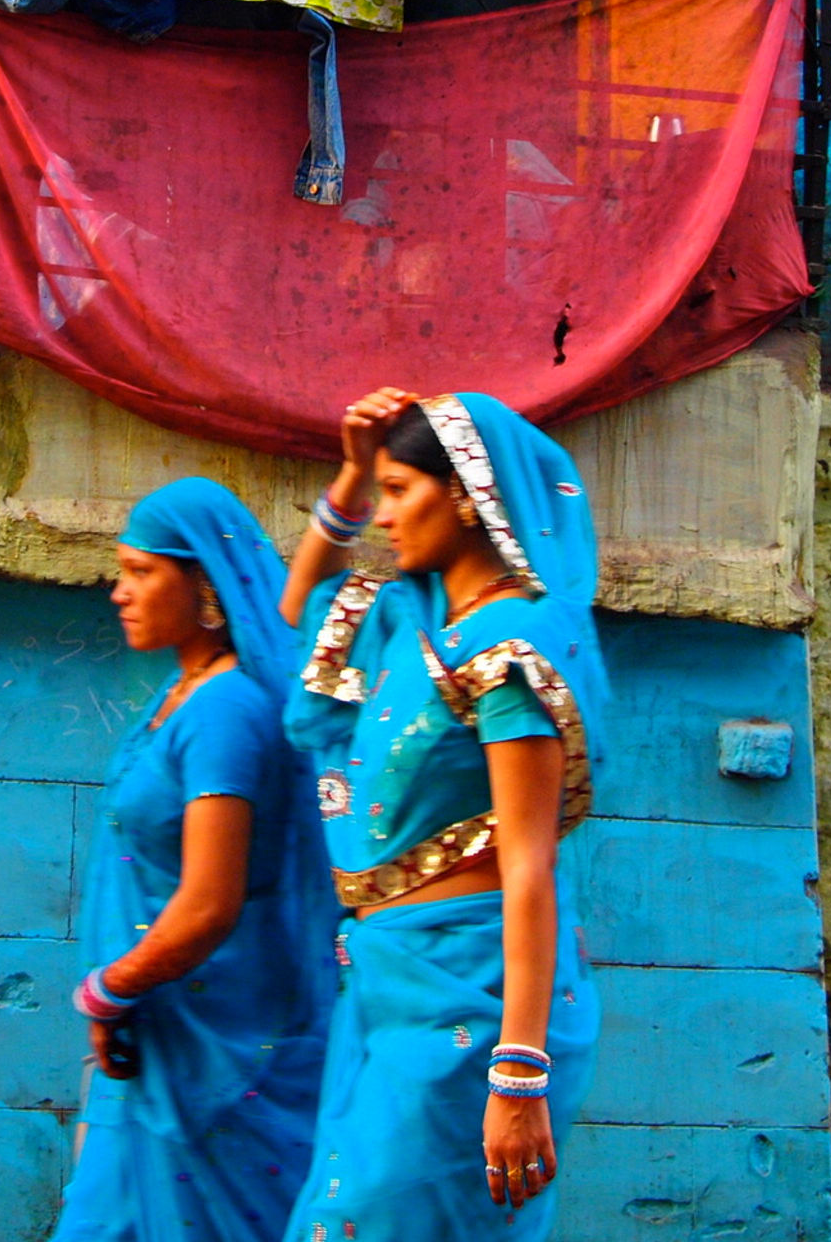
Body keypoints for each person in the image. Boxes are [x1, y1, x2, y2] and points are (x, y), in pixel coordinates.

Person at [277, 389, 610, 1241]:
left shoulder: (509, 654)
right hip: (384, 982)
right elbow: (291, 624)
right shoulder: (409, 622)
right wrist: (349, 477)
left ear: (464, 496)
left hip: (471, 998)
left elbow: (527, 864)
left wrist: (519, 1074)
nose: (382, 518)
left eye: (397, 492)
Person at [51, 477, 336, 1242]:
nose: (119, 592)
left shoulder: (224, 712)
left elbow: (210, 903)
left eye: (142, 572)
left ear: (203, 583)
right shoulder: (184, 693)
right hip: (155, 1040)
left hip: (216, 1053)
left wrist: (109, 992)